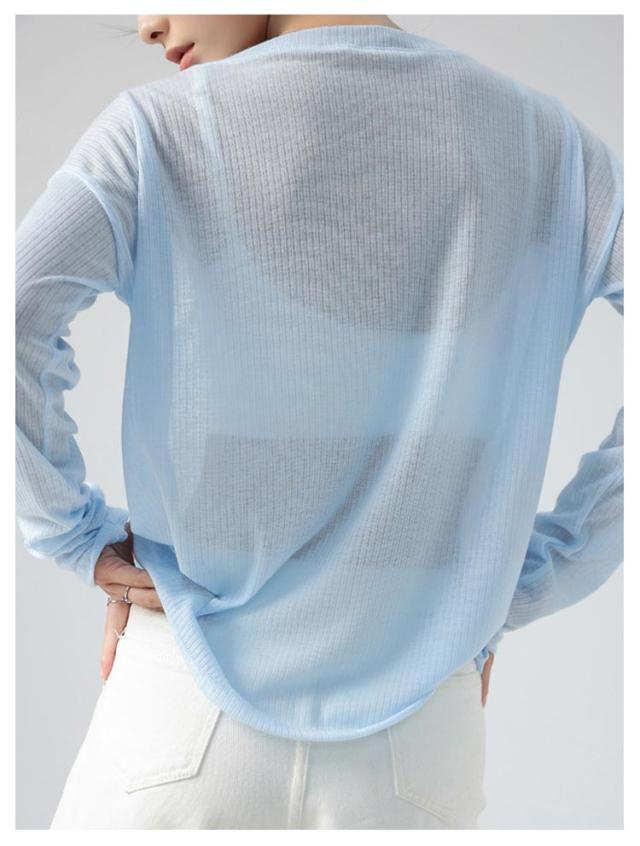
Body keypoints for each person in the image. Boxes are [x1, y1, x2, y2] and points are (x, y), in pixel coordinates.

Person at [15, 13, 623, 830]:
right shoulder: (551, 148)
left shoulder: (158, 131)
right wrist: (526, 574)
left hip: (184, 707)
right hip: (419, 742)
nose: (148, 23)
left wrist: (77, 537)